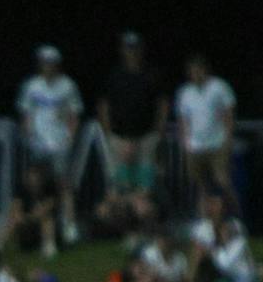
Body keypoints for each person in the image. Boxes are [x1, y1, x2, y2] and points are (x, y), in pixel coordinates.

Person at [16, 46, 83, 243]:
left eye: (50, 63)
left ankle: (68, 224)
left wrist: (70, 138)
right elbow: (26, 114)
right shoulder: (31, 86)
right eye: (44, 62)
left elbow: (74, 114)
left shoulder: (67, 85)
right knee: (37, 187)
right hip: (38, 144)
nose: (47, 66)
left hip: (60, 144)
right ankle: (41, 222)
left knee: (64, 185)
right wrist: (29, 136)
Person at [98, 32, 167, 197]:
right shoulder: (113, 75)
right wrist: (108, 132)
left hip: (146, 137)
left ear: (141, 50)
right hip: (119, 137)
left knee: (144, 183)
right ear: (122, 50)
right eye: (128, 48)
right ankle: (123, 217)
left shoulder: (152, 74)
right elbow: (103, 104)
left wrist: (158, 131)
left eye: (135, 48)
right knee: (121, 183)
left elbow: (162, 103)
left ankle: (143, 216)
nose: (132, 52)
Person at [174, 55, 238, 212]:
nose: (195, 74)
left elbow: (228, 113)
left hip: (217, 143)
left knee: (222, 181)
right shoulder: (185, 92)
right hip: (195, 146)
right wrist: (185, 143)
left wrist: (228, 139)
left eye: (198, 70)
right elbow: (183, 120)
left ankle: (235, 213)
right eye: (192, 71)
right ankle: (205, 220)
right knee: (200, 186)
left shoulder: (219, 87)